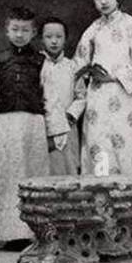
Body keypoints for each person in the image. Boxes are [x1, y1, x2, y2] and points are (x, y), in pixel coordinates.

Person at [0, 7, 52, 248]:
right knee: (6, 179)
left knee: (32, 176)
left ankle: (33, 232)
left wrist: (52, 132)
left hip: (33, 127)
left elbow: (51, 98)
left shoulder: (40, 62)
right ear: (7, 31)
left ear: (34, 32)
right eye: (15, 29)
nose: (19, 35)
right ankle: (8, 233)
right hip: (4, 126)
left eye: (25, 30)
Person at [67, 0, 132, 179]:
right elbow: (76, 67)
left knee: (126, 153)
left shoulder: (131, 26)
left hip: (123, 99)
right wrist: (84, 73)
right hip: (97, 103)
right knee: (100, 153)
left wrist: (113, 77)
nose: (103, 1)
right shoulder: (92, 31)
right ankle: (99, 209)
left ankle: (130, 210)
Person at [40, 17, 79, 176]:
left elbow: (81, 95)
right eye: (49, 37)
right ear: (41, 39)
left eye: (58, 37)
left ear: (65, 39)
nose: (54, 41)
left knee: (68, 168)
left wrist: (71, 115)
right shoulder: (37, 65)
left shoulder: (72, 66)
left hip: (68, 125)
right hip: (44, 126)